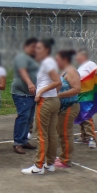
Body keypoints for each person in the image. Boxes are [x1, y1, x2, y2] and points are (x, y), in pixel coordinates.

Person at [22, 39, 62, 175]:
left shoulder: (46, 63)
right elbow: (59, 84)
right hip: (53, 100)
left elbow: (57, 81)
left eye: (39, 48)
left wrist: (41, 92)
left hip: (45, 101)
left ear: (46, 50)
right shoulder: (50, 63)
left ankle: (38, 166)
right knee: (51, 134)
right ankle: (49, 163)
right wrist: (52, 94)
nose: (36, 50)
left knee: (42, 134)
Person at [11, 38, 39, 154]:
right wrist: (30, 83)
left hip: (31, 94)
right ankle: (18, 143)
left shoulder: (34, 59)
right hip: (22, 92)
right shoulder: (22, 57)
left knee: (29, 118)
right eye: (32, 46)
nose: (34, 49)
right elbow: (23, 71)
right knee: (23, 117)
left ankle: (24, 140)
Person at [54, 50, 81, 168]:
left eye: (57, 59)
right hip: (62, 108)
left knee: (66, 133)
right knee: (61, 132)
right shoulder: (63, 72)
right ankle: (63, 156)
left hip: (70, 106)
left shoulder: (72, 72)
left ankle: (66, 159)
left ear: (64, 59)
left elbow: (76, 89)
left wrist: (58, 95)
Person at [75, 49, 97, 149]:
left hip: (87, 94)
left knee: (86, 115)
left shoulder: (90, 64)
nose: (76, 58)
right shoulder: (80, 67)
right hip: (79, 93)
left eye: (78, 56)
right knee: (80, 114)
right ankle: (84, 135)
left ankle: (91, 138)